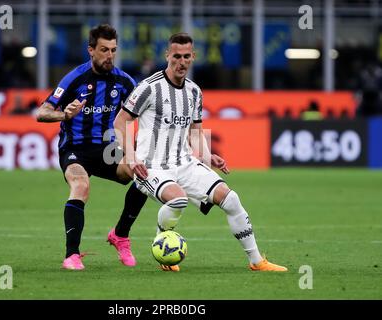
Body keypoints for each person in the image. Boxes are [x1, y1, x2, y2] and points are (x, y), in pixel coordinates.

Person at [114, 32, 288, 272]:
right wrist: (131, 158)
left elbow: (195, 132)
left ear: (193, 57)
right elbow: (120, 121)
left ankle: (257, 261)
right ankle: (164, 245)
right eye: (176, 56)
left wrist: (208, 156)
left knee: (231, 199)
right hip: (151, 165)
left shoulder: (194, 92)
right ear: (167, 56)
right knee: (178, 200)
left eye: (186, 56)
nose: (181, 61)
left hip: (184, 163)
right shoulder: (148, 87)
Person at [36, 24, 148, 270]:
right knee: (81, 185)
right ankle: (71, 255)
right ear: (91, 50)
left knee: (144, 177)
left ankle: (120, 234)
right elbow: (42, 112)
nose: (109, 55)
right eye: (104, 50)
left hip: (107, 150)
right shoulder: (75, 78)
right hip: (76, 149)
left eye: (113, 50)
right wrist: (64, 115)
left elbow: (144, 111)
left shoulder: (124, 81)